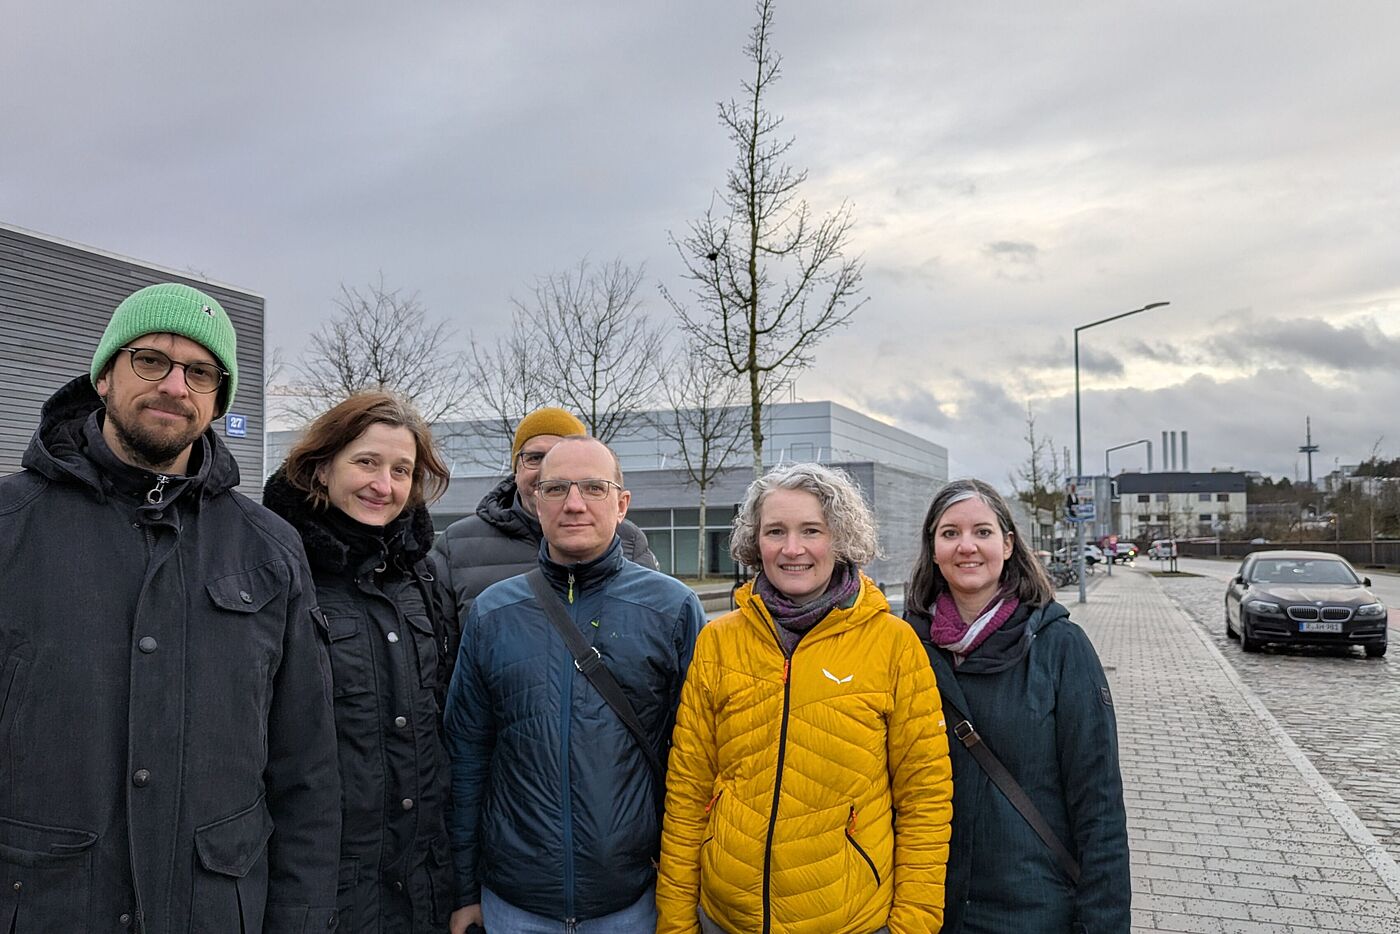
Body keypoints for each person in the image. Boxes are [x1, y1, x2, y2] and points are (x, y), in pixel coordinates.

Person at [0, 283, 340, 932]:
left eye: (201, 372)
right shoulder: (10, 526)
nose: (175, 386)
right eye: (151, 360)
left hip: (213, 911)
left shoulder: (270, 548)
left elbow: (307, 774)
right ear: (104, 376)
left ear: (217, 399)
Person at [656, 463, 953, 934]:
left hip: (852, 919)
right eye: (776, 531)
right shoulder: (718, 640)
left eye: (811, 530)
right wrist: (675, 922)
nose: (792, 549)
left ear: (840, 539)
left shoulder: (893, 644)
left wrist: (913, 925)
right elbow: (688, 791)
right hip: (725, 918)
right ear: (756, 542)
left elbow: (925, 800)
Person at [445, 436, 704, 934]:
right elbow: (467, 758)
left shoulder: (671, 609)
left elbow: (694, 762)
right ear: (535, 500)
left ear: (622, 503)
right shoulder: (493, 613)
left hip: (632, 899)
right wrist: (463, 890)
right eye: (557, 488)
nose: (575, 503)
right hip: (513, 902)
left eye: (593, 487)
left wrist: (682, 887)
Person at [263, 391, 457, 932]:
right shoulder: (276, 569)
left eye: (402, 470)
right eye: (366, 462)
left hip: (422, 890)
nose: (384, 485)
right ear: (321, 467)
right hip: (319, 894)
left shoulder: (422, 579)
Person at [903, 479, 1130, 933]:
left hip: (1033, 910)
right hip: (929, 909)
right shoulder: (904, 647)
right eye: (950, 533)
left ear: (1007, 544)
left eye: (982, 532)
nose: (966, 546)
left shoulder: (1060, 647)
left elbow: (1099, 808)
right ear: (932, 549)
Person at [431, 406, 657, 624]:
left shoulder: (627, 540)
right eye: (534, 458)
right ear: (516, 469)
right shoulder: (458, 545)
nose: (545, 470)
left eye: (560, 456)